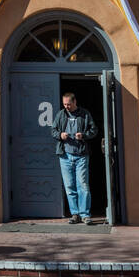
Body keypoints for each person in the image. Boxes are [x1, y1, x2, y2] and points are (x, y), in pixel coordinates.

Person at [49, 92, 98, 223]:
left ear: (75, 102)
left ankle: (85, 214)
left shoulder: (85, 114)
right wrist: (60, 135)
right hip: (65, 156)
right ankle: (75, 214)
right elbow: (53, 130)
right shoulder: (61, 114)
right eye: (64, 104)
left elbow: (94, 130)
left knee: (82, 185)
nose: (66, 107)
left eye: (69, 104)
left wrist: (83, 135)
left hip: (81, 155)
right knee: (69, 186)